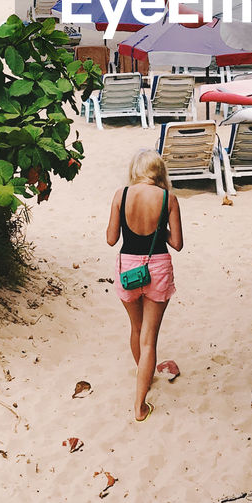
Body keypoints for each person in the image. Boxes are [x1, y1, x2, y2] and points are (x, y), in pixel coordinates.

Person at [107, 149, 183, 421]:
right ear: (159, 172)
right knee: (149, 337)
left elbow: (111, 238)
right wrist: (158, 225)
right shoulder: (168, 199)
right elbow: (177, 244)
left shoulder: (121, 195)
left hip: (129, 268)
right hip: (158, 266)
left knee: (136, 328)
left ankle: (144, 374)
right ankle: (140, 405)